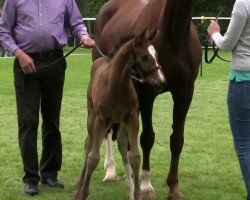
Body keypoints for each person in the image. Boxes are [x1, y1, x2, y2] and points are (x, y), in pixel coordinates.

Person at [0, 0, 95, 196]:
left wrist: (83, 35)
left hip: (55, 62)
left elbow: (76, 22)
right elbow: (3, 31)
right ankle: (31, 178)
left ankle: (50, 174)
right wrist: (19, 54)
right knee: (28, 122)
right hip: (26, 64)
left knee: (52, 121)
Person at [207, 0, 250, 199]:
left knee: (244, 145)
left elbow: (227, 44)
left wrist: (214, 32)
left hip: (243, 82)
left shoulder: (243, 3)